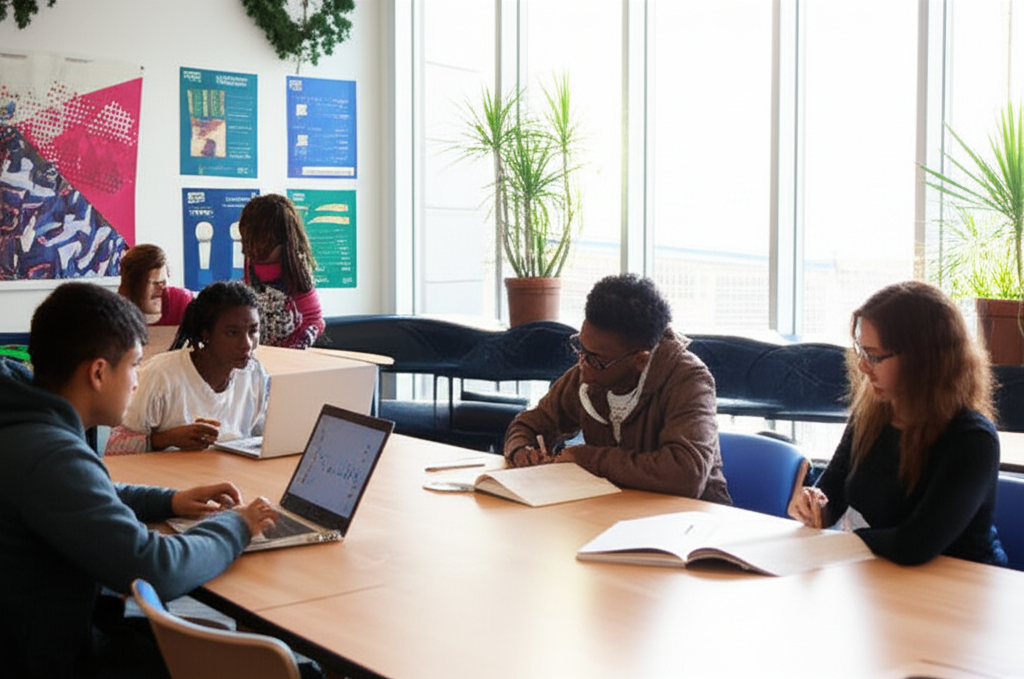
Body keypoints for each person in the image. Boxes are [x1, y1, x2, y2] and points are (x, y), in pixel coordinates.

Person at [0, 281, 278, 679]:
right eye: (133, 364)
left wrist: (170, 501)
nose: (136, 380)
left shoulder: (26, 427)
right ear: (98, 372)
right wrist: (237, 525)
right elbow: (157, 567)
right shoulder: (49, 455)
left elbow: (91, 493)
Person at [788, 281, 1008, 567]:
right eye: (862, 352)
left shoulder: (973, 440)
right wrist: (814, 506)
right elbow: (834, 490)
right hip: (890, 573)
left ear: (923, 360)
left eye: (874, 356)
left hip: (964, 583)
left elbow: (914, 544)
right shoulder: (873, 411)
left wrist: (846, 540)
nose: (863, 366)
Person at [503, 273, 731, 502]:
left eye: (595, 358)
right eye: (580, 347)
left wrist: (588, 459)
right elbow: (530, 423)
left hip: (693, 516)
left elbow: (686, 475)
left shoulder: (689, 380)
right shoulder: (591, 374)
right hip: (615, 509)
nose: (583, 364)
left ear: (640, 360)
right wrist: (521, 449)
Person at [105, 280, 269, 455]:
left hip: (228, 469)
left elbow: (264, 436)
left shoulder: (255, 373)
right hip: (165, 471)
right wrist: (164, 439)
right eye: (232, 333)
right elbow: (112, 446)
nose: (247, 344)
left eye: (253, 331)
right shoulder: (161, 375)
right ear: (206, 334)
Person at [238, 193, 325, 349]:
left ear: (284, 241)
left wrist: (296, 347)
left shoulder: (295, 270)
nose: (257, 250)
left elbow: (314, 319)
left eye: (265, 242)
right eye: (251, 241)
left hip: (291, 352)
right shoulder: (250, 266)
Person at [118, 243, 194, 326]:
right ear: (132, 286)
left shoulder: (182, 302)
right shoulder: (116, 317)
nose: (161, 288)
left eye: (164, 282)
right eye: (155, 283)